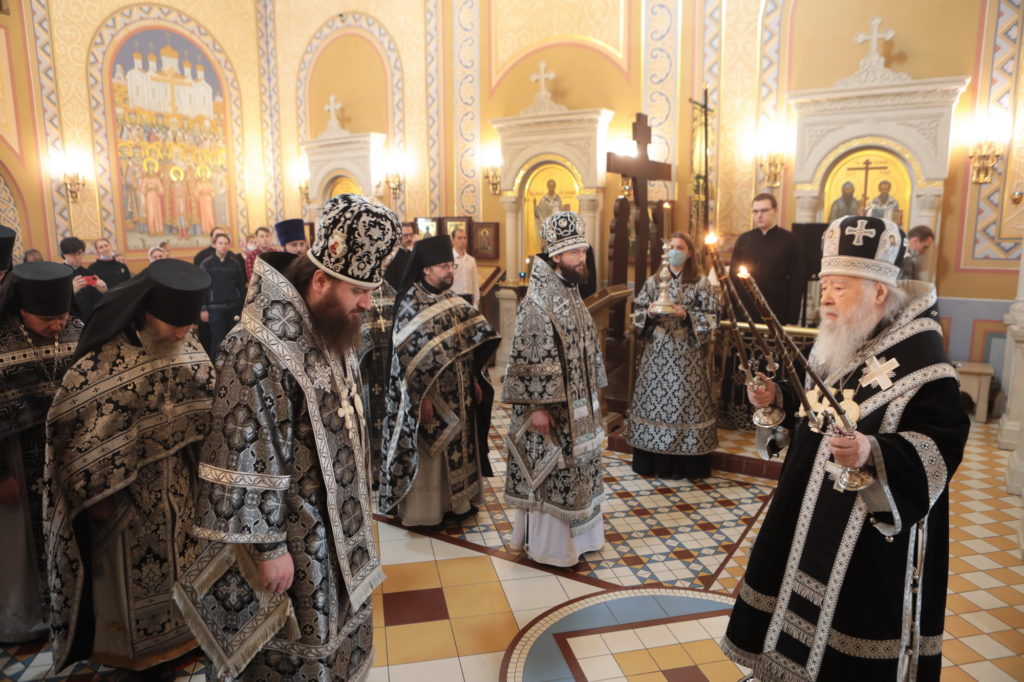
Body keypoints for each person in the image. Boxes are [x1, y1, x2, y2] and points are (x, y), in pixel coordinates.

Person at [720, 215, 969, 682]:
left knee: (848, 637)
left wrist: (873, 451)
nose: (827, 297)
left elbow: (942, 444)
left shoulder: (923, 358)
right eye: (825, 284)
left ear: (879, 292)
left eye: (840, 286)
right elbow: (814, 408)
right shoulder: (841, 337)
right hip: (804, 510)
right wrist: (777, 399)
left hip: (869, 533)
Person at [174, 194, 400, 681]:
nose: (367, 302)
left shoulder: (329, 325)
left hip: (340, 523)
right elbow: (242, 453)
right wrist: (269, 547)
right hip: (294, 534)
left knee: (341, 635)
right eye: (360, 290)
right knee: (296, 649)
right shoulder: (257, 347)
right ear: (320, 280)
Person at [44, 259, 214, 674]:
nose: (182, 333)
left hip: (182, 487)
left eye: (188, 325)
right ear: (144, 310)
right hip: (123, 497)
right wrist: (95, 493)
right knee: (132, 580)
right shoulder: (102, 361)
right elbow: (72, 432)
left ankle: (187, 640)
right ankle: (135, 656)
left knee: (186, 565)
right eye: (175, 324)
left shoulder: (187, 345)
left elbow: (210, 402)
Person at [502, 211, 607, 567]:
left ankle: (582, 539)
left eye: (583, 250)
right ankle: (552, 548)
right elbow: (528, 356)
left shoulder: (570, 292)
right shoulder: (538, 301)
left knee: (579, 471)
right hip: (552, 411)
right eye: (575, 252)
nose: (582, 258)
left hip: (579, 408)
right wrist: (537, 408)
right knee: (553, 473)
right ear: (556, 256)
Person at [377, 235, 500, 527]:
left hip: (460, 392)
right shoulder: (410, 305)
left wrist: (474, 377)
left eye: (450, 265)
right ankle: (428, 511)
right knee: (433, 453)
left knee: (462, 447)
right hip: (431, 397)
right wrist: (423, 397)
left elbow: (469, 345)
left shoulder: (451, 300)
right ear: (426, 270)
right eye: (443, 266)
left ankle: (459, 504)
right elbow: (405, 361)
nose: (449, 271)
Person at [0, 262, 80, 643]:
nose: (58, 326)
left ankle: (73, 609)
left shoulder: (80, 332)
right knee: (19, 546)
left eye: (63, 316)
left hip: (69, 454)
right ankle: (25, 620)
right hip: (17, 457)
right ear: (21, 310)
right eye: (47, 318)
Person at [627, 232, 719, 480]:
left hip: (686, 356)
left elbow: (712, 319)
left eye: (680, 247)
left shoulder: (701, 283)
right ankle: (653, 464)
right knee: (654, 406)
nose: (676, 251)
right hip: (656, 356)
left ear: (689, 252)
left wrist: (685, 315)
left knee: (684, 407)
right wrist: (648, 314)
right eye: (672, 247)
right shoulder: (653, 282)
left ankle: (685, 467)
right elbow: (636, 316)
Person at [199, 232, 246, 358]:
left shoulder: (234, 263)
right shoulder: (206, 264)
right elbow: (202, 288)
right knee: (218, 342)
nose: (224, 246)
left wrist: (243, 306)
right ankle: (216, 371)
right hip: (215, 309)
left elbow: (241, 286)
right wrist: (203, 309)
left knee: (235, 341)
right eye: (220, 243)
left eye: (226, 243)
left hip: (233, 307)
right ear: (214, 245)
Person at [60, 236, 107, 322]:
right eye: (72, 254)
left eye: (80, 253)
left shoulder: (88, 272)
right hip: (68, 320)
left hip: (88, 319)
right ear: (63, 254)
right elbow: (54, 303)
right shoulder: (58, 274)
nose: (77, 257)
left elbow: (96, 299)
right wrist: (71, 292)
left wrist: (103, 291)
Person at [451, 226, 480, 306]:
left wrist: (476, 302)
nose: (463, 241)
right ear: (453, 240)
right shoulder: (449, 259)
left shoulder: (471, 260)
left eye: (465, 238)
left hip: (468, 298)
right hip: (454, 298)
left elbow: (475, 282)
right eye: (459, 238)